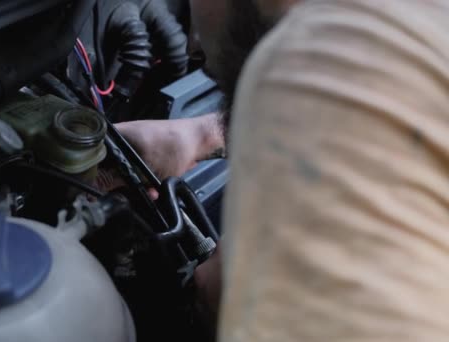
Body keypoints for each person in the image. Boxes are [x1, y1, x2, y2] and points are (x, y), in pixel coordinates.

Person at [116, 0, 449, 341]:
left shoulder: (308, 50)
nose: (195, 42)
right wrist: (200, 136)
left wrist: (246, 307)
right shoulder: (418, 23)